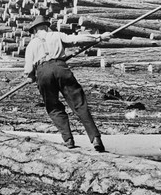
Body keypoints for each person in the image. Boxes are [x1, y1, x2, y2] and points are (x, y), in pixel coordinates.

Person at [23, 15, 111, 152]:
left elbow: (28, 69)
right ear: (46, 26)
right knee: (79, 103)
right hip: (61, 68)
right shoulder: (57, 35)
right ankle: (95, 138)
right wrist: (99, 38)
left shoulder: (31, 45)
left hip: (43, 73)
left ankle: (68, 139)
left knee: (53, 106)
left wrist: (31, 77)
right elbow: (76, 39)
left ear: (34, 30)